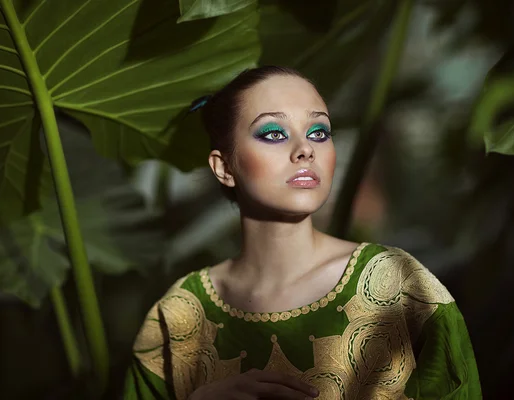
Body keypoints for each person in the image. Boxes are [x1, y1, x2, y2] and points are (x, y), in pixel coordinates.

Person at [123, 66, 482, 399]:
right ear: (224, 167)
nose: (305, 150)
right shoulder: (180, 313)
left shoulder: (395, 284)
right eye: (273, 133)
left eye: (319, 132)